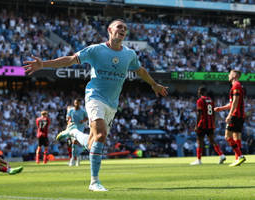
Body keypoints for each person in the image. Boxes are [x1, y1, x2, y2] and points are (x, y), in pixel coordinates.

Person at [24, 19, 168, 191]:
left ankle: (74, 132)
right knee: (100, 135)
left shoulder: (129, 54)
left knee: (94, 143)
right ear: (109, 30)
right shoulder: (96, 50)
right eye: (119, 27)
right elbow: (70, 60)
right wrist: (43, 65)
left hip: (112, 104)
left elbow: (140, 71)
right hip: (95, 97)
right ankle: (94, 182)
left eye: (125, 28)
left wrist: (154, 84)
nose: (122, 30)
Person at [214, 70, 246, 167]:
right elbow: (233, 103)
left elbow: (235, 101)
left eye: (230, 73)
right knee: (237, 138)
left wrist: (230, 115)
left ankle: (240, 156)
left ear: (234, 75)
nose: (228, 75)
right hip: (240, 115)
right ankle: (237, 159)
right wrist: (221, 108)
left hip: (236, 115)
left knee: (227, 137)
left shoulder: (236, 85)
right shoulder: (237, 85)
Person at [190, 86, 226, 165]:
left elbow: (199, 113)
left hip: (202, 124)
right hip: (210, 124)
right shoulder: (210, 100)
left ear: (200, 92)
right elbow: (213, 113)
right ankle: (221, 155)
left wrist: (196, 125)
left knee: (199, 141)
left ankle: (199, 160)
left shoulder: (200, 100)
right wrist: (213, 123)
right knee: (212, 141)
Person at [64, 99, 88, 167]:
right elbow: (68, 118)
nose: (76, 104)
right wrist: (69, 122)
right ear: (74, 103)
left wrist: (83, 120)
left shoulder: (83, 111)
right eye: (75, 103)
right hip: (72, 128)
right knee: (74, 145)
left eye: (78, 103)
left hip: (80, 128)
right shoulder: (71, 110)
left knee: (75, 142)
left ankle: (73, 159)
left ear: (80, 103)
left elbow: (87, 118)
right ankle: (77, 158)